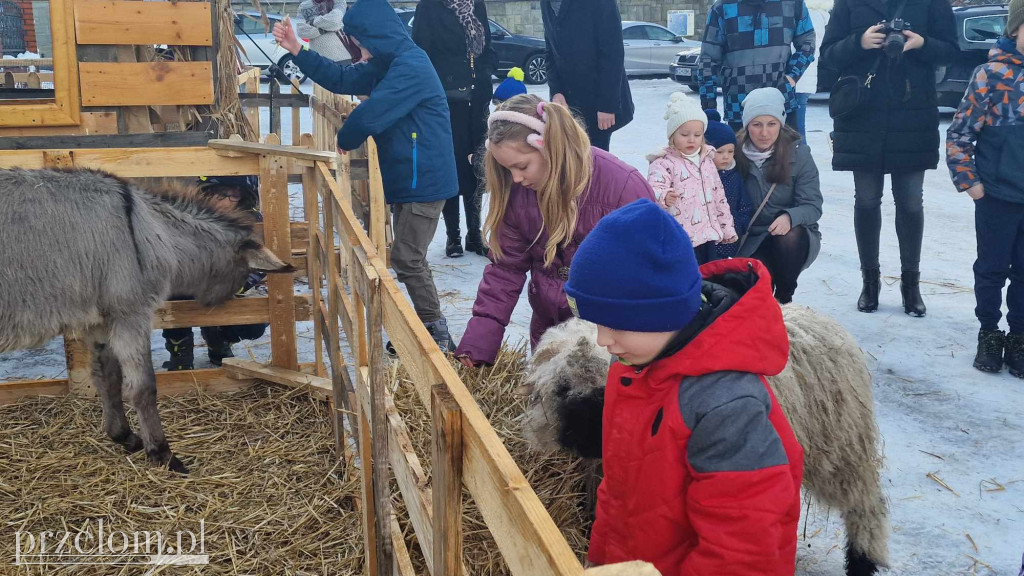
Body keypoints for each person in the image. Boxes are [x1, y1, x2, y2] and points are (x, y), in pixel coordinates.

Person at [562, 198, 804, 575]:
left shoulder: (726, 405)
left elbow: (744, 549)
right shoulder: (631, 366)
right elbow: (620, 485)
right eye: (596, 324)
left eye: (616, 324)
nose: (602, 340)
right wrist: (603, 560)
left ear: (661, 313)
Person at [273, 0, 458, 351]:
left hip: (426, 179)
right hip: (409, 177)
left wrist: (346, 137)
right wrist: (297, 49)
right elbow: (342, 78)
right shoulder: (387, 62)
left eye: (359, 40)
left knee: (407, 257)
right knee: (409, 256)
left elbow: (374, 112)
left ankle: (437, 333)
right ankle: (429, 325)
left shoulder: (411, 65)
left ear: (378, 34)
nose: (357, 48)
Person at [454, 94, 655, 367]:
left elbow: (646, 271)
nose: (515, 178)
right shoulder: (519, 194)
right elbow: (506, 269)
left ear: (548, 147)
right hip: (549, 331)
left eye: (521, 166)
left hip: (610, 337)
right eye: (507, 169)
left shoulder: (621, 187)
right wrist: (480, 340)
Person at [820, 0, 957, 316]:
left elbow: (950, 50)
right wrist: (860, 42)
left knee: (910, 202)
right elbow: (827, 55)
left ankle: (911, 285)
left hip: (913, 113)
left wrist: (921, 44)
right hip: (863, 116)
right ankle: (870, 282)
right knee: (866, 201)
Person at [946, 0, 1024, 376]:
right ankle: (990, 333)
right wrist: (971, 183)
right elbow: (960, 134)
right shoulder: (989, 75)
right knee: (992, 268)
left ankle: (1020, 336)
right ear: (1015, 29)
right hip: (996, 195)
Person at [412, 0, 496, 258]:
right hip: (446, 100)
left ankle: (475, 234)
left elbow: (487, 46)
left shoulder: (475, 4)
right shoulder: (429, 6)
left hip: (477, 97)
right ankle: (453, 236)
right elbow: (421, 51)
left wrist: (484, 73)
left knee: (477, 165)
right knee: (452, 166)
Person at [163, 176, 268, 371]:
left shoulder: (252, 221)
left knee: (255, 323)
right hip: (185, 282)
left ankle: (218, 339)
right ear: (207, 192)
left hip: (223, 284)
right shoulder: (182, 214)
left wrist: (241, 284)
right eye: (223, 194)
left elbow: (262, 262)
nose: (228, 201)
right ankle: (179, 349)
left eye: (235, 196)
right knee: (174, 296)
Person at [735, 88, 822, 304]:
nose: (764, 133)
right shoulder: (732, 153)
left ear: (781, 124)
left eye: (771, 124)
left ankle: (785, 296)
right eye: (757, 124)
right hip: (750, 237)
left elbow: (812, 205)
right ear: (747, 126)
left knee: (789, 236)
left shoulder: (799, 153)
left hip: (789, 236)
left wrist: (790, 217)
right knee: (754, 285)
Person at [698, 0, 816, 131]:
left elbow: (807, 41)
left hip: (781, 103)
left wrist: (791, 77)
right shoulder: (722, 6)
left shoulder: (793, 3)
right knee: (740, 152)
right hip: (739, 107)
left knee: (787, 151)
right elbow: (708, 60)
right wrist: (709, 109)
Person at [647, 93, 736, 264]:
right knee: (687, 276)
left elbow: (719, 197)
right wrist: (664, 195)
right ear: (672, 135)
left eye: (697, 135)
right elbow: (652, 188)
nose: (691, 139)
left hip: (707, 235)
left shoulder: (707, 160)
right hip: (680, 236)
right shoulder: (664, 163)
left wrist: (726, 228)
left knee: (707, 276)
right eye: (685, 134)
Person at [540, 0, 634, 151]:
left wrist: (607, 105)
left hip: (597, 103)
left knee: (594, 163)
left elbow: (612, 53)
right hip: (566, 104)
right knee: (571, 163)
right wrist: (556, 90)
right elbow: (550, 50)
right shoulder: (545, 3)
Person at [705, 109, 753, 261]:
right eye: (719, 152)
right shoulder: (700, 177)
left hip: (731, 240)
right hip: (705, 243)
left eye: (730, 151)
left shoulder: (735, 175)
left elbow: (744, 204)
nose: (726, 157)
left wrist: (740, 224)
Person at [793, 0, 831, 138]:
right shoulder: (823, 15)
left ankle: (800, 158)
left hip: (795, 77)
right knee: (798, 128)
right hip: (806, 77)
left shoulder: (805, 14)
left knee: (794, 131)